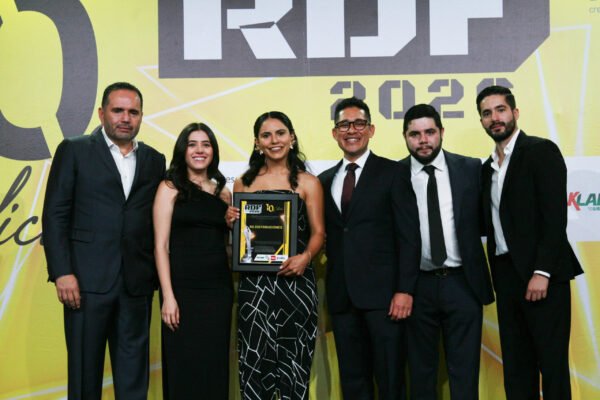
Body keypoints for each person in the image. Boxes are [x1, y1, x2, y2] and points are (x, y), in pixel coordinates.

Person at [42, 82, 166, 399]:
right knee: (84, 376)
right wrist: (62, 272)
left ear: (141, 116)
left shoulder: (155, 160)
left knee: (134, 380)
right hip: (85, 283)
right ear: (101, 113)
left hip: (136, 285)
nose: (125, 118)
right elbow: (55, 215)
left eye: (133, 112)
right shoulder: (74, 150)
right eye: (118, 110)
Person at [476, 85, 583, 400]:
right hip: (506, 277)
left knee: (552, 365)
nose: (495, 118)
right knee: (517, 366)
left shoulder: (540, 151)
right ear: (481, 121)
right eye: (487, 113)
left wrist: (542, 271)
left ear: (515, 112)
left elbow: (554, 218)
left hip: (543, 276)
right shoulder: (485, 170)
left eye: (500, 110)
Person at [318, 97, 421, 400]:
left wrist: (405, 290)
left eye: (359, 123)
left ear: (371, 129)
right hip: (342, 298)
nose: (352, 130)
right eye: (344, 125)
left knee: (390, 380)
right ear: (335, 133)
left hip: (385, 299)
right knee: (353, 382)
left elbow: (409, 236)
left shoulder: (393, 172)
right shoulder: (324, 180)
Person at [227, 111, 325, 400]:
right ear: (257, 142)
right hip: (254, 288)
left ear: (291, 137)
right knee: (254, 366)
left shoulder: (308, 182)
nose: (274, 140)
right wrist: (231, 221)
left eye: (280, 133)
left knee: (295, 367)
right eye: (266, 135)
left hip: (296, 284)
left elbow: (319, 233)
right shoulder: (242, 183)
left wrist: (306, 257)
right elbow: (242, 239)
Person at [399, 104, 494, 399]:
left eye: (429, 132)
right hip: (417, 286)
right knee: (421, 373)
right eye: (415, 134)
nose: (423, 140)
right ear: (405, 137)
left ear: (441, 132)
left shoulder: (470, 168)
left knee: (465, 372)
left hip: (463, 283)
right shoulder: (394, 175)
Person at [153, 122, 233, 399]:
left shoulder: (223, 192)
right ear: (183, 150)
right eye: (192, 144)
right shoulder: (169, 187)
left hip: (218, 291)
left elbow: (227, 248)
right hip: (182, 291)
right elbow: (161, 246)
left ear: (213, 151)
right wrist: (168, 297)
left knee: (214, 366)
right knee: (183, 367)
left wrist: (236, 228)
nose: (200, 150)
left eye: (206, 144)